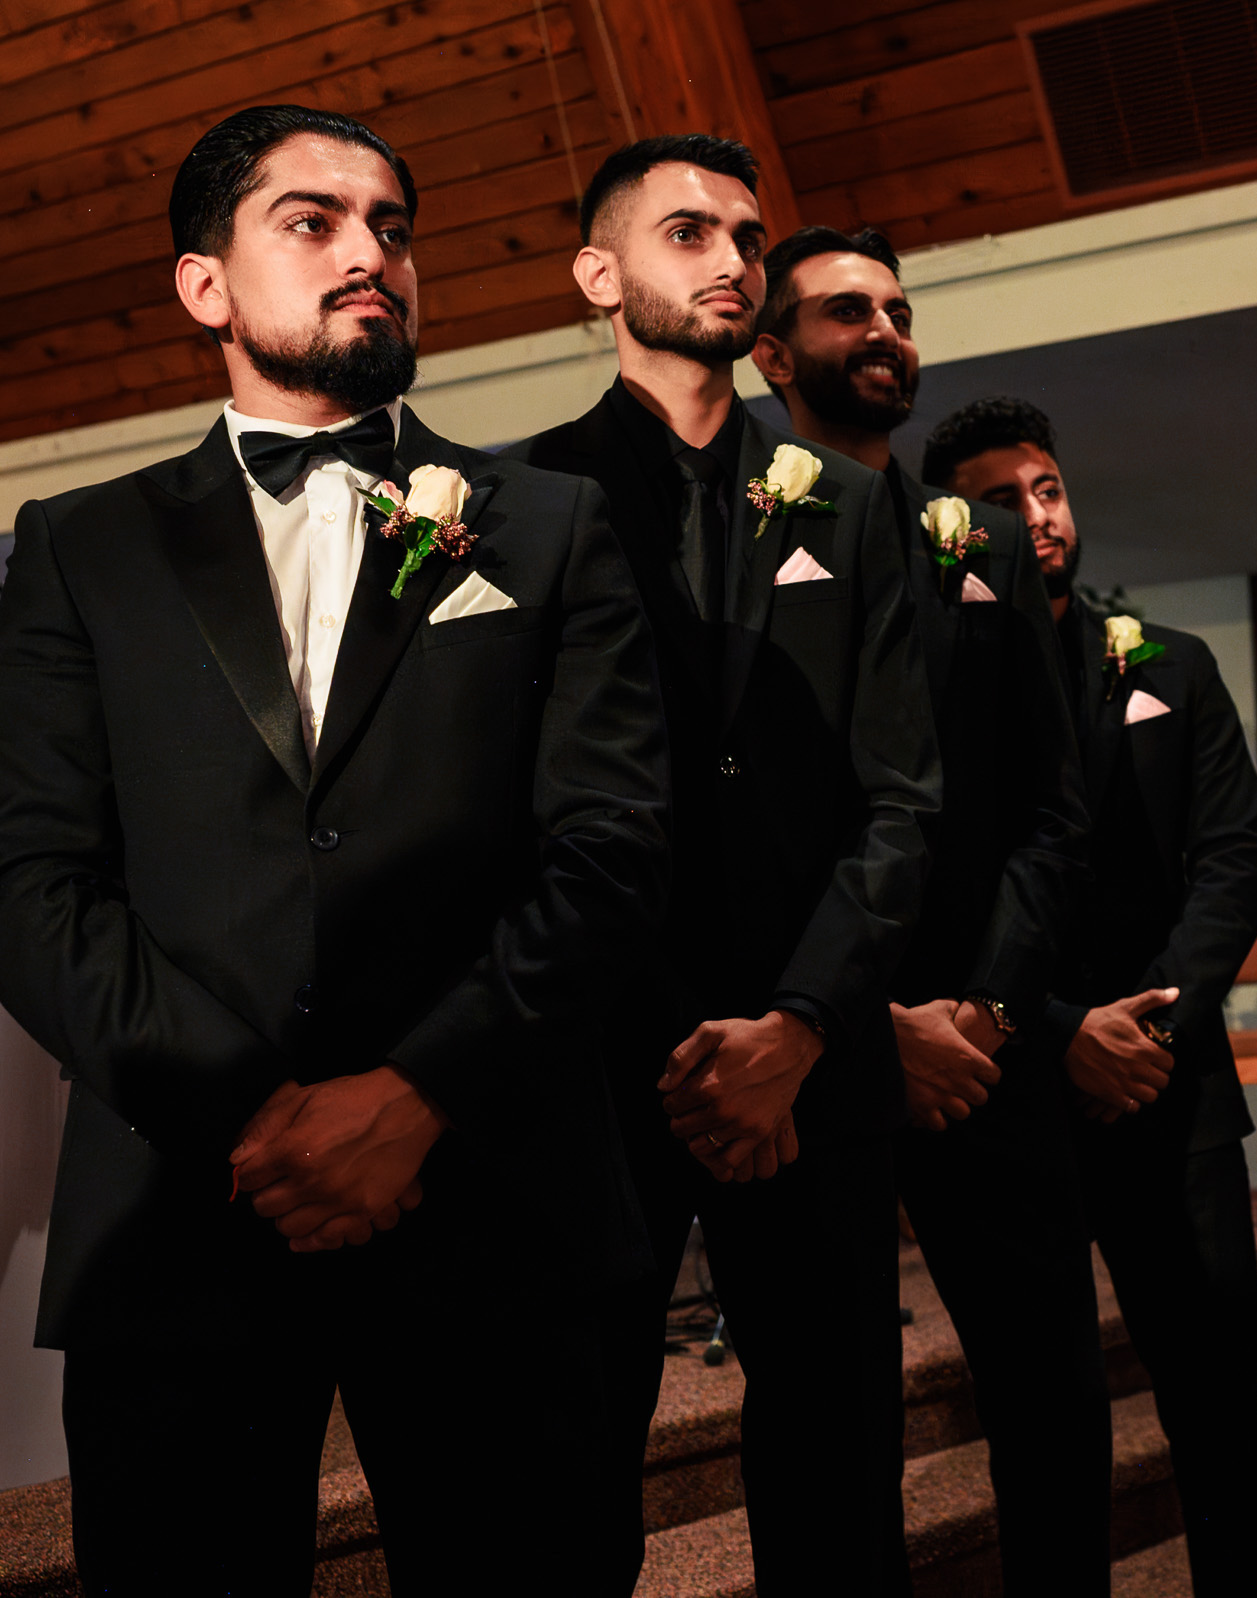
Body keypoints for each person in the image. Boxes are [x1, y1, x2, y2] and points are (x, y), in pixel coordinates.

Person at [0, 106, 668, 1596]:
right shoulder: (82, 544)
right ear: (203, 285)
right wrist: (257, 1114)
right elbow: (30, 883)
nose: (373, 253)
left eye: (394, 226)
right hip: (183, 1204)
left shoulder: (546, 525)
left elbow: (609, 852)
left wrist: (415, 1096)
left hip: (497, 1201)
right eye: (315, 220)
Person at [501, 140, 939, 1596]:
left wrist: (801, 1023)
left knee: (837, 1468)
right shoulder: (518, 499)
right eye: (685, 229)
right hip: (601, 1058)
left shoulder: (851, 503)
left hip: (814, 1056)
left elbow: (902, 795)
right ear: (599, 274)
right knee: (568, 1468)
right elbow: (516, 807)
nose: (731, 256)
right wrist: (685, 1035)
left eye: (746, 234)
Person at [749, 228, 1109, 1594]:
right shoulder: (737, 525)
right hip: (813, 1044)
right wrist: (849, 1014)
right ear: (775, 354)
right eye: (848, 311)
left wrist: (990, 1003)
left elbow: (1047, 809)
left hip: (980, 1043)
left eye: (899, 308)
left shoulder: (985, 547)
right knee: (830, 1427)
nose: (887, 328)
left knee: (1056, 1405)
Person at [928, 397, 1257, 1596]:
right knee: (1046, 1409)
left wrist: (1156, 1027)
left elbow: (1232, 859)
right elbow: (952, 881)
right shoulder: (942, 671)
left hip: (1171, 1084)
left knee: (1219, 1394)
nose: (1035, 515)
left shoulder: (1170, 663)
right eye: (1000, 498)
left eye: (1047, 489)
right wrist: (1064, 1025)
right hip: (1021, 1077)